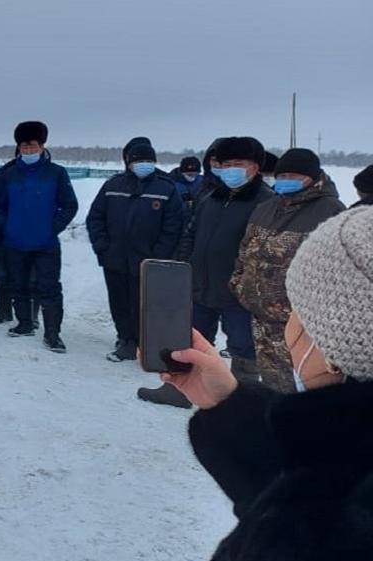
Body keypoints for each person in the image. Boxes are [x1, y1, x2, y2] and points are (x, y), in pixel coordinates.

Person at [158, 206, 373, 561]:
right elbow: (314, 486)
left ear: (336, 347)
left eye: (297, 310)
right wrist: (229, 406)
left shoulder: (320, 559)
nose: (288, 327)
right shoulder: (345, 480)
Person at [139, 137, 274, 408]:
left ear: (255, 167)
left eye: (238, 164)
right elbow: (191, 233)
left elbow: (266, 253)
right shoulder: (212, 197)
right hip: (200, 285)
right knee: (188, 340)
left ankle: (241, 401)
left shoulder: (267, 203)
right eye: (225, 164)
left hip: (239, 293)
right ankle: (178, 390)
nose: (230, 170)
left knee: (243, 347)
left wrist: (246, 284)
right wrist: (184, 265)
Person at [230, 148, 344, 393]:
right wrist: (240, 285)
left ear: (312, 177)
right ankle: (275, 422)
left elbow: (337, 272)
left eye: (294, 176)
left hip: (299, 324)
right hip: (261, 317)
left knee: (304, 387)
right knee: (272, 382)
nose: (285, 181)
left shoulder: (331, 211)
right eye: (283, 175)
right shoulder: (266, 207)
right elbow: (245, 250)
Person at [86, 140, 185, 362]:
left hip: (148, 262)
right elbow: (95, 218)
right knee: (119, 302)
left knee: (143, 305)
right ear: (129, 163)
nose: (144, 165)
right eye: (140, 161)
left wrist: (158, 255)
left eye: (149, 161)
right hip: (115, 259)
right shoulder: (113, 185)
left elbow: (174, 227)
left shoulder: (166, 188)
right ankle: (125, 339)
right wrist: (103, 247)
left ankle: (144, 342)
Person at [0, 121, 79, 353]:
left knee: (49, 288)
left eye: (33, 146)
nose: (29, 151)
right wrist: (6, 228)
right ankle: (24, 323)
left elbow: (69, 205)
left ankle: (52, 334)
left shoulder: (56, 173)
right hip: (15, 242)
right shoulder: (8, 175)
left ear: (42, 146)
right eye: (24, 147)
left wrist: (52, 228)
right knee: (18, 285)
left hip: (46, 244)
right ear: (18, 148)